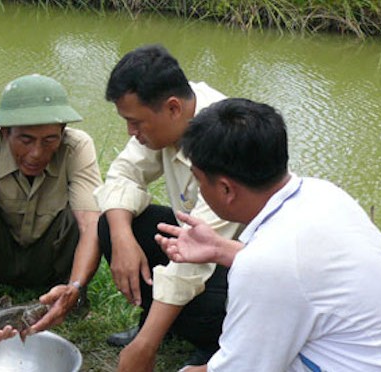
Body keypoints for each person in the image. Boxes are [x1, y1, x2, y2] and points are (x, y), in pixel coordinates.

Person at [155, 98, 381, 371]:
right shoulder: (323, 194)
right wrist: (221, 248)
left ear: (227, 189)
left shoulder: (267, 264)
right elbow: (300, 269)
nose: (198, 188)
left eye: (199, 179)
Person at [93, 44, 242, 370]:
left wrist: (144, 347)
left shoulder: (225, 137)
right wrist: (122, 239)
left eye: (136, 123)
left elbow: (196, 259)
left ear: (173, 108)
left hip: (237, 264)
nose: (131, 133)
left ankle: (216, 344)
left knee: (204, 286)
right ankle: (164, 327)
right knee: (116, 222)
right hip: (199, 243)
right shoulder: (174, 115)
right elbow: (122, 175)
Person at [0, 74, 102, 343]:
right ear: (4, 132)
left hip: (50, 259)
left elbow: (90, 226)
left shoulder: (78, 147)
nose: (37, 153)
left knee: (96, 213)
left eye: (50, 140)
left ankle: (68, 298)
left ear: (63, 132)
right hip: (0, 256)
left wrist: (75, 286)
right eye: (25, 140)